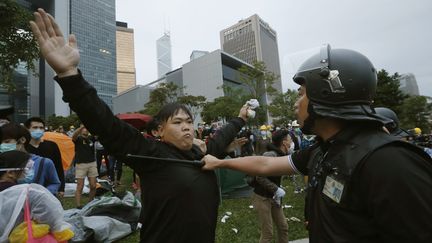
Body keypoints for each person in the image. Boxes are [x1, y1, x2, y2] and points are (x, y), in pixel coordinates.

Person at [30, 9, 249, 242]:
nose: (187, 127)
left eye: (189, 122)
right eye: (177, 122)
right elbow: (107, 125)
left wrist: (241, 118)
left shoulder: (202, 154)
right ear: (158, 131)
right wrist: (70, 76)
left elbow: (221, 137)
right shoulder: (150, 154)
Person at [203, 45, 432, 242]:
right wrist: (221, 164)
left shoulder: (388, 162)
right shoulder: (324, 150)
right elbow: (265, 165)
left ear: (327, 95)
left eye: (301, 94)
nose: (295, 104)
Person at [0, 150, 74, 242]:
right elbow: (53, 221)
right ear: (10, 173)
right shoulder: (31, 193)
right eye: (27, 168)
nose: (30, 172)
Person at [248, 129, 290, 243]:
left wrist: (276, 192)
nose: (291, 141)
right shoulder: (270, 155)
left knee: (283, 227)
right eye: (289, 139)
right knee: (268, 234)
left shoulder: (284, 154)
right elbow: (259, 177)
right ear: (284, 142)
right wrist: (276, 189)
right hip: (262, 197)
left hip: (274, 197)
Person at [1, 123, 60, 194]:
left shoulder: (44, 162)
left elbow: (54, 183)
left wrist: (43, 194)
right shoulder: (2, 162)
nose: (2, 146)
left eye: (7, 142)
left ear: (22, 140)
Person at [24, 117, 65, 197]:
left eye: (41, 128)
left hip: (50, 187)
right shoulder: (24, 147)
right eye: (35, 127)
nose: (38, 130)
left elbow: (59, 167)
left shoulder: (52, 145)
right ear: (27, 129)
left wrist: (61, 188)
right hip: (28, 187)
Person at [72, 125, 97, 208]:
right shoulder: (78, 139)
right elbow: (74, 136)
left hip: (92, 163)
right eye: (84, 128)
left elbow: (99, 134)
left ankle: (90, 202)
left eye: (86, 128)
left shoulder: (91, 138)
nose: (85, 130)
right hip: (81, 164)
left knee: (93, 185)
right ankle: (78, 205)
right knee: (80, 186)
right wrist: (81, 127)